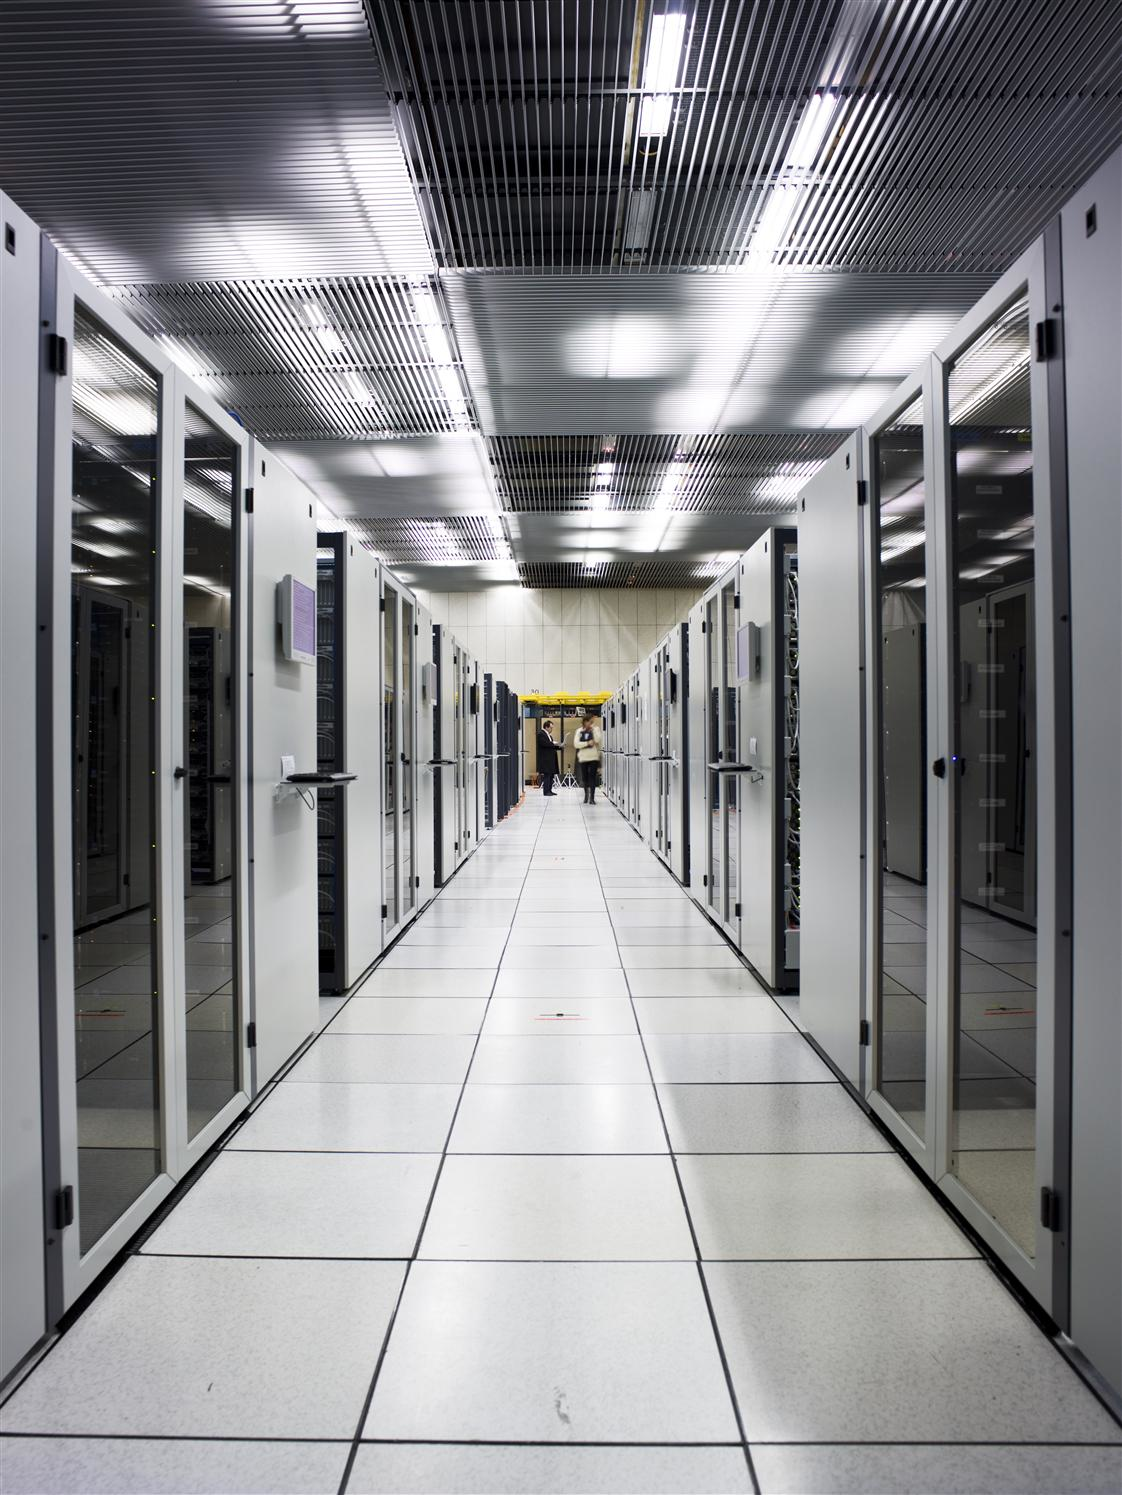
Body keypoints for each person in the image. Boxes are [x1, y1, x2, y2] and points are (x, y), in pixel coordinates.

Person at [575, 713, 602, 803]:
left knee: (592, 778)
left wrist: (592, 730)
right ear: (584, 722)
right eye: (588, 722)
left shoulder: (596, 729)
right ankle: (586, 795)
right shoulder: (579, 731)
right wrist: (587, 743)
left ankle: (592, 798)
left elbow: (598, 740)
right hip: (583, 758)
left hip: (593, 757)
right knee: (585, 778)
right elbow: (576, 744)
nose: (589, 723)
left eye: (591, 722)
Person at [536, 718, 560, 796]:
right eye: (551, 727)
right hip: (545, 759)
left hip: (551, 759)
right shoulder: (541, 734)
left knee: (551, 775)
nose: (552, 729)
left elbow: (550, 746)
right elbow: (544, 744)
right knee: (547, 775)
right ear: (546, 727)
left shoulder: (549, 736)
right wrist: (553, 743)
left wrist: (559, 746)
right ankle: (546, 792)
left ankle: (550, 790)